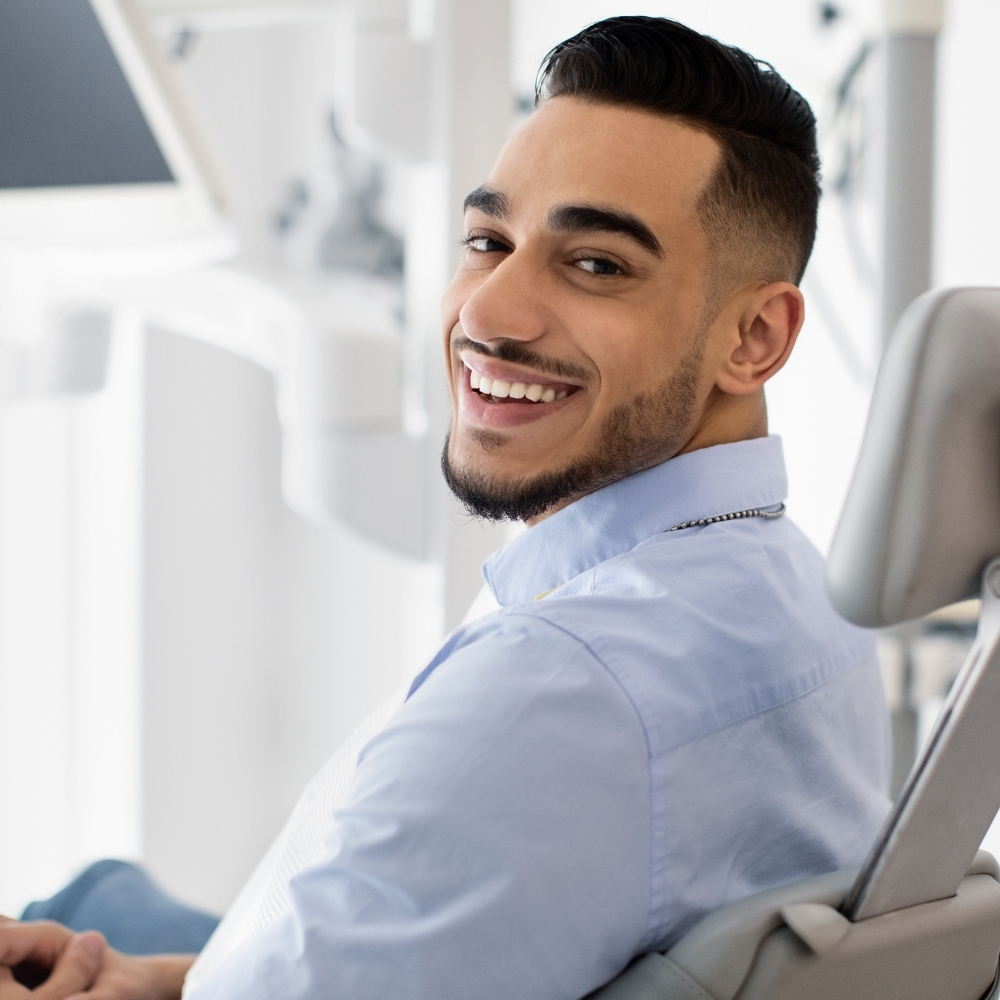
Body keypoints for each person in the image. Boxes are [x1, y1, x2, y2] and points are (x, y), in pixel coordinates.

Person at [0, 16, 890, 1000]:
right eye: (487, 241)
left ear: (754, 336)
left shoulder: (558, 688)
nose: (487, 315)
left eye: (595, 263)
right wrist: (168, 981)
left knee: (75, 897)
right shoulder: (807, 595)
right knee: (105, 902)